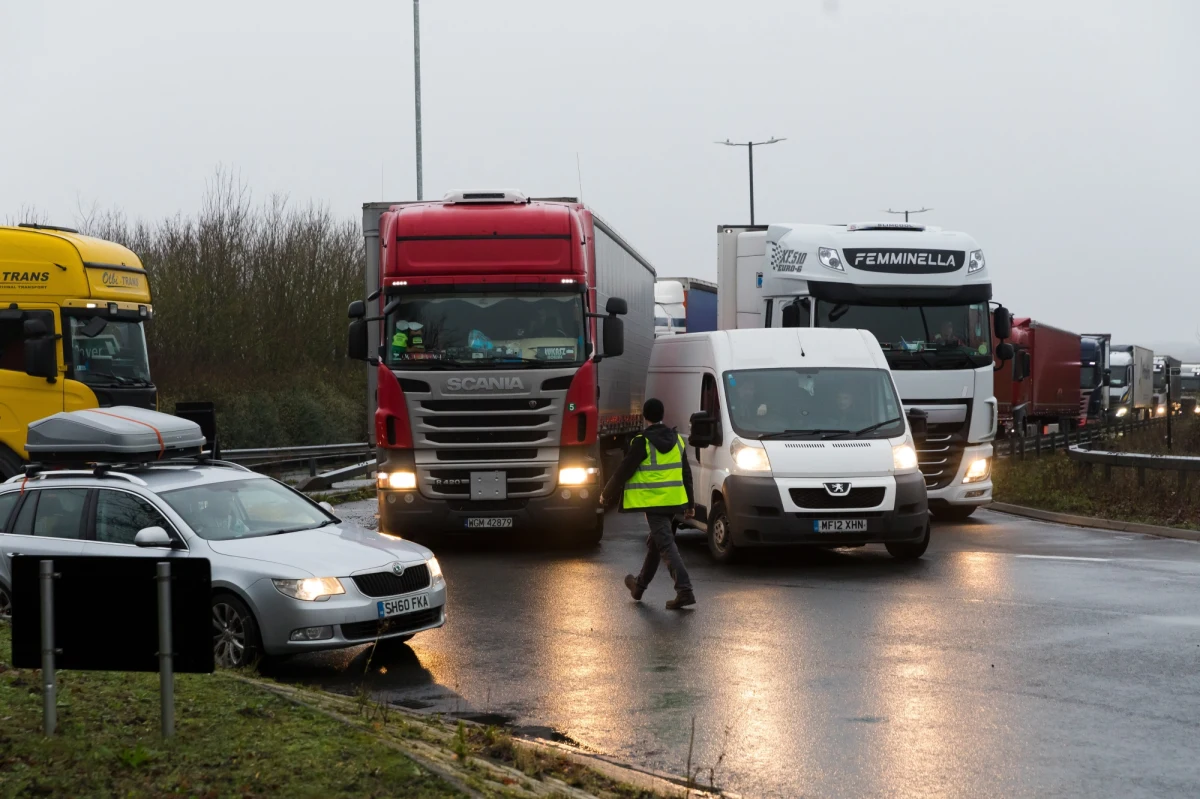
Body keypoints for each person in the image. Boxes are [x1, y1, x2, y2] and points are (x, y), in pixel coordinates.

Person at [600, 398, 696, 610]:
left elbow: (624, 470)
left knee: (666, 545)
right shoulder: (677, 440)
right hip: (673, 502)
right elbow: (686, 474)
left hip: (654, 503)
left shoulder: (642, 441)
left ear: (645, 417)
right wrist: (690, 504)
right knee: (657, 544)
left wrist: (606, 494)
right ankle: (639, 587)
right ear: (662, 415)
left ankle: (685, 590)